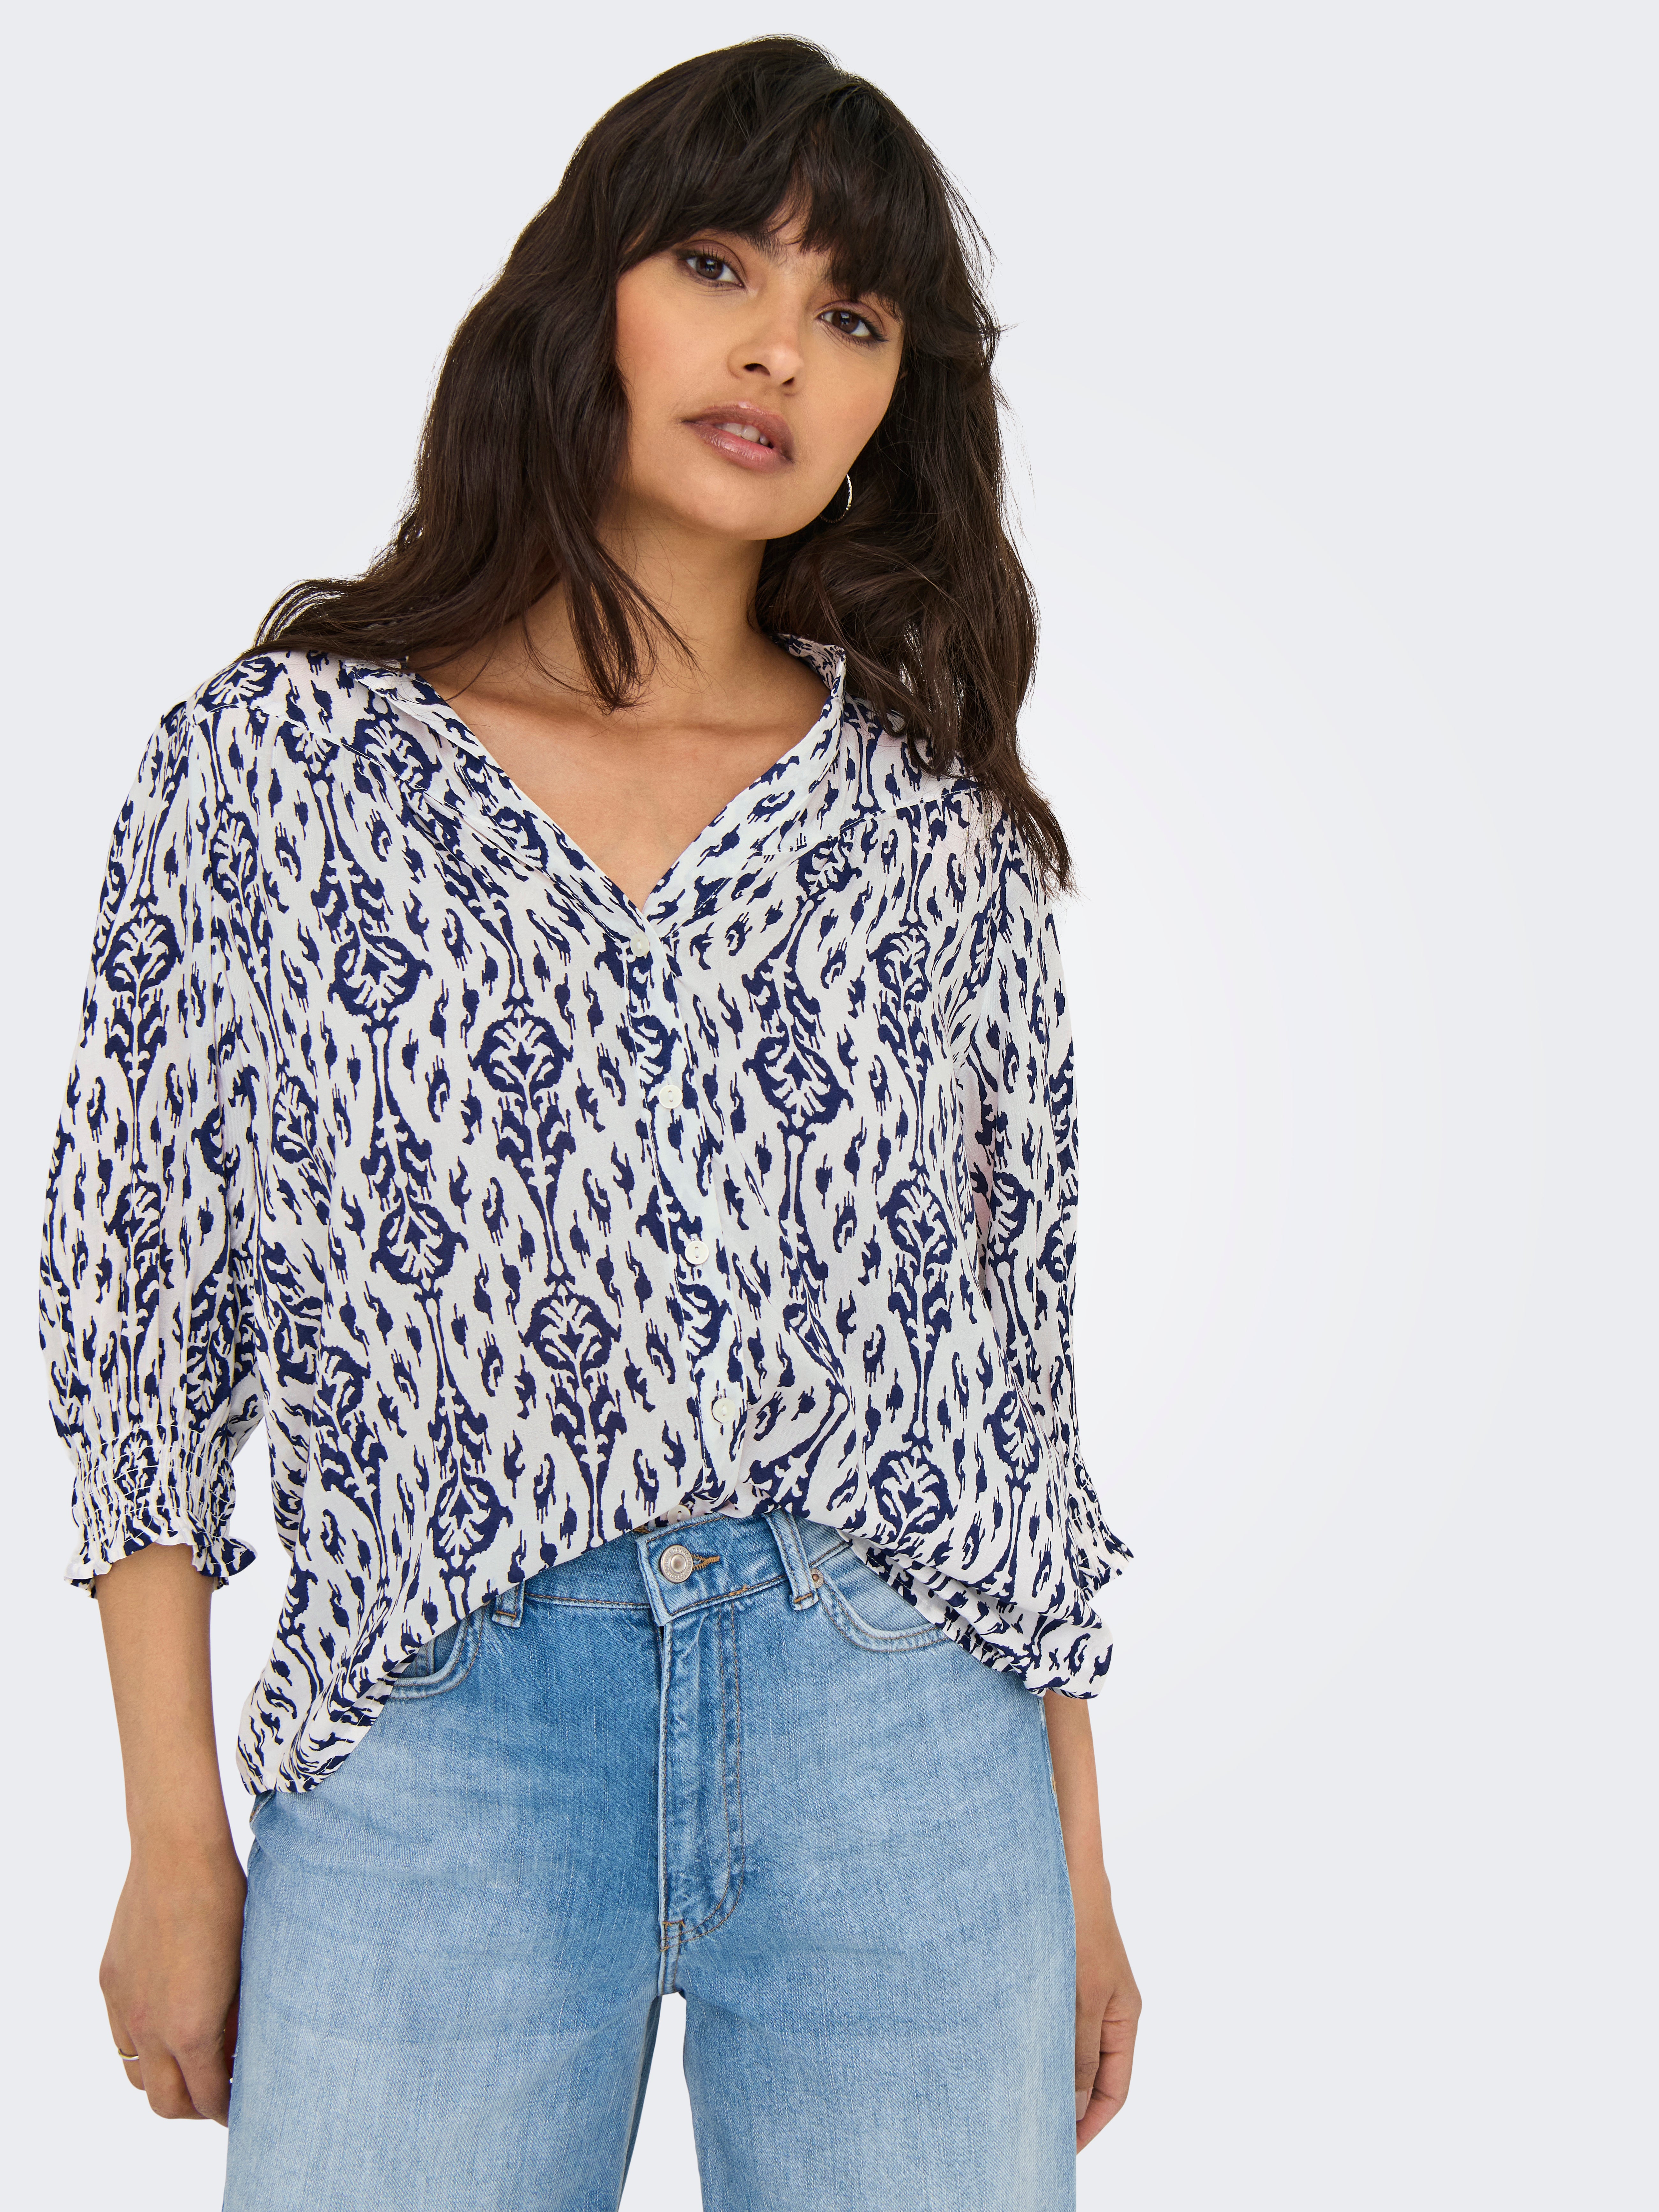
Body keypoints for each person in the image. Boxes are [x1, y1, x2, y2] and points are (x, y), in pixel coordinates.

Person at [41, 36, 1140, 2211]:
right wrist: (173, 1839)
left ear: (892, 401)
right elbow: (136, 1302)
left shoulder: (934, 825)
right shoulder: (278, 767)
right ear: (587, 302)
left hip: (896, 1730)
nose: (777, 348)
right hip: (440, 1721)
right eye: (719, 264)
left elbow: (1010, 1377)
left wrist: (1078, 1872)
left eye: (851, 312)